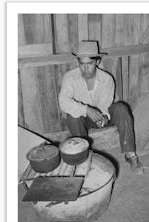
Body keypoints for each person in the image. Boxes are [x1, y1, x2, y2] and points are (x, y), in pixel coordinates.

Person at [59, 41, 144, 174]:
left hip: (101, 116)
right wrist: (86, 109)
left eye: (90, 64)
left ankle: (130, 155)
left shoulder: (107, 79)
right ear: (78, 63)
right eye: (82, 64)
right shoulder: (69, 77)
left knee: (122, 108)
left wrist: (104, 116)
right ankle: (83, 158)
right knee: (72, 117)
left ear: (97, 62)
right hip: (82, 119)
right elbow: (63, 101)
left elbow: (105, 105)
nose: (85, 69)